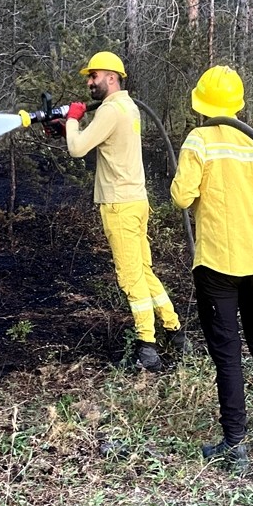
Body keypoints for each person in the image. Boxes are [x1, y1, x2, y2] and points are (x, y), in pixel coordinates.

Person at [170, 66, 253, 470]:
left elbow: (181, 197)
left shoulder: (200, 140)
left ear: (202, 103)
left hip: (218, 262)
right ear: (238, 103)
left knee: (227, 352)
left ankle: (234, 442)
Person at [63, 51, 185, 371]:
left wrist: (73, 120)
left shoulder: (109, 110)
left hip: (119, 205)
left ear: (112, 78)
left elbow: (77, 149)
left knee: (131, 278)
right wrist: (67, 126)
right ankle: (174, 331)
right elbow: (102, 142)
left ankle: (147, 348)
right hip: (135, 201)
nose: (89, 81)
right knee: (144, 272)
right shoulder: (126, 106)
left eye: (94, 76)